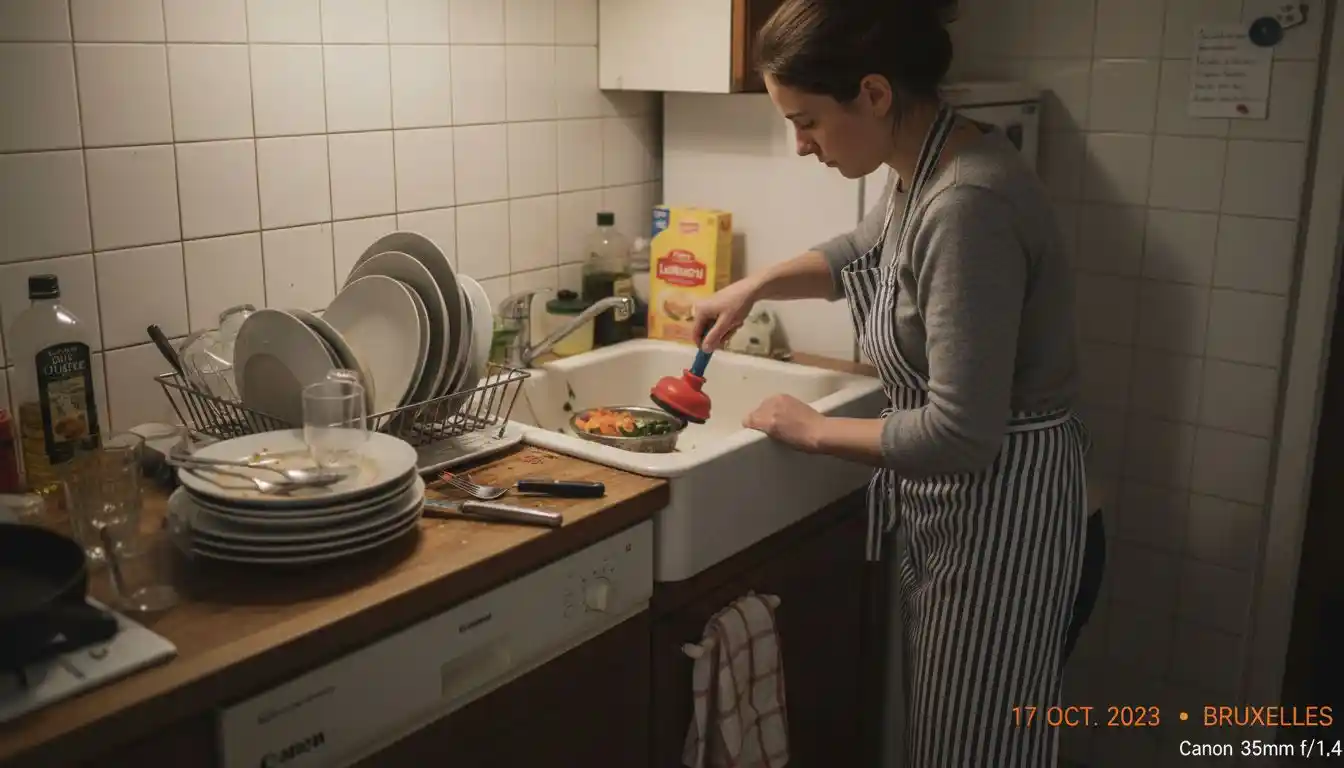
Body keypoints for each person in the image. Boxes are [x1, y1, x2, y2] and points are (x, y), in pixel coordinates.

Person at [690, 0, 1105, 765]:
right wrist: (752, 287)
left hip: (1007, 521)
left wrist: (809, 427)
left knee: (973, 753)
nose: (801, 144)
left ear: (874, 94)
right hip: (970, 514)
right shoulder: (928, 160)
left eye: (807, 120)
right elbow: (862, 246)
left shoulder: (967, 203)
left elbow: (959, 432)